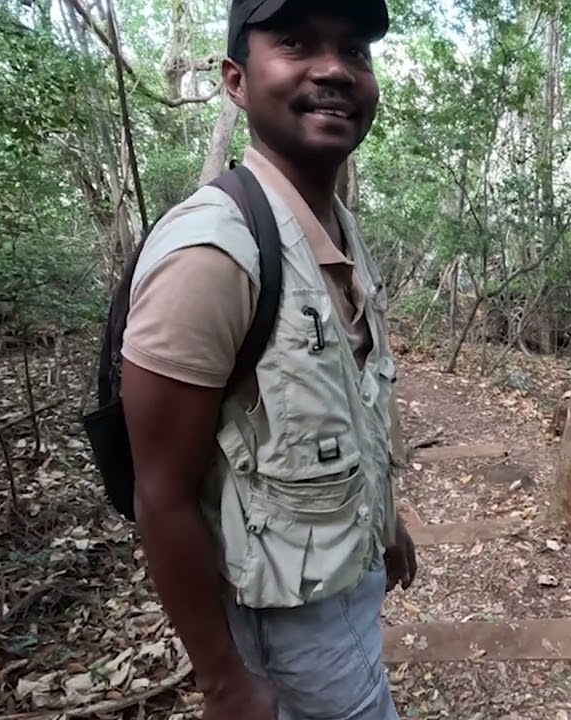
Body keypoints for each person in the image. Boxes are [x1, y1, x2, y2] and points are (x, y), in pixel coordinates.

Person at [117, 0, 416, 717]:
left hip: (342, 586)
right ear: (236, 80)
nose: (334, 69)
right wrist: (222, 680)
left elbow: (338, 400)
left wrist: (384, 523)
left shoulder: (331, 225)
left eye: (354, 51)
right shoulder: (212, 254)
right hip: (283, 630)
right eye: (295, 42)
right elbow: (160, 494)